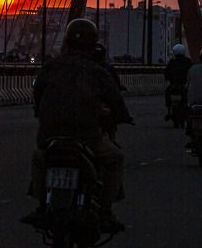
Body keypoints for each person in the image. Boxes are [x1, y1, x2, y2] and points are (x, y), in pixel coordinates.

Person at [23, 18, 131, 233]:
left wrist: (41, 111)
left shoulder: (51, 66)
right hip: (87, 136)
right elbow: (115, 99)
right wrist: (123, 116)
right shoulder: (97, 71)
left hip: (50, 134)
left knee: (39, 157)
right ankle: (106, 210)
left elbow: (37, 93)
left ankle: (42, 205)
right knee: (115, 158)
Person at [164, 43, 193, 119]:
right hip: (184, 85)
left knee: (167, 93)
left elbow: (166, 74)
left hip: (173, 85)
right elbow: (192, 73)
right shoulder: (188, 62)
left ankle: (168, 110)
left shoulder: (172, 62)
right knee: (188, 97)